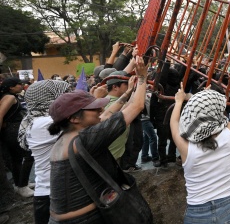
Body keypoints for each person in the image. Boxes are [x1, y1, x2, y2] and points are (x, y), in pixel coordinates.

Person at [47, 56, 148, 223]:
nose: (100, 109)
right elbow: (137, 107)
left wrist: (129, 92)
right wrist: (143, 77)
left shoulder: (69, 136)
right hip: (84, 219)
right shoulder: (87, 139)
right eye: (93, 108)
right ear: (74, 118)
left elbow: (107, 114)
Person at [170, 83, 230, 224]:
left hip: (197, 215)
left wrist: (179, 101)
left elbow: (174, 122)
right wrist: (209, 96)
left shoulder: (186, 148)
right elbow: (221, 114)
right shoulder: (228, 134)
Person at [18, 80, 70, 224]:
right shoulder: (47, 122)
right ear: (51, 97)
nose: (68, 97)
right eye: (64, 94)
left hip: (48, 191)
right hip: (53, 194)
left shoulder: (34, 119)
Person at [0, 77, 34, 198]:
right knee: (26, 156)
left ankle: (21, 183)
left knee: (17, 159)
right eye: (19, 84)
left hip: (13, 129)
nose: (22, 86)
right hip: (12, 131)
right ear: (11, 87)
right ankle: (22, 186)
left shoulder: (10, 96)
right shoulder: (9, 98)